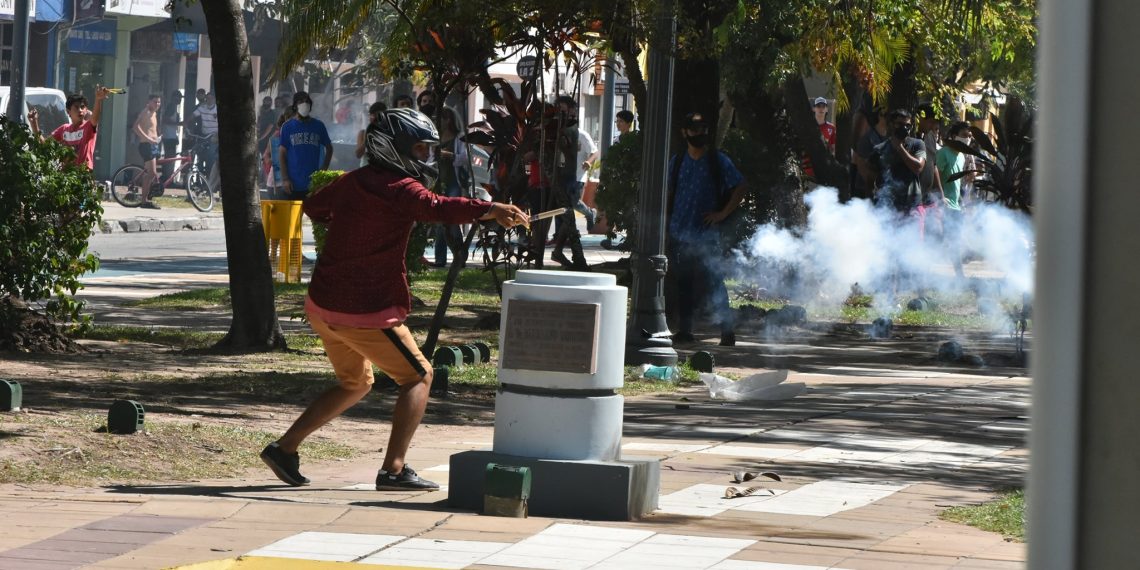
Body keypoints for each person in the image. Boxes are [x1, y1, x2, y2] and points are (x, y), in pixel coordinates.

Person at [259, 108, 529, 490]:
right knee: (419, 376)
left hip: (322, 307)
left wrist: (353, 223)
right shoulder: (402, 189)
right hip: (363, 312)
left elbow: (316, 207)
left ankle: (284, 449)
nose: (426, 158)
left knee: (355, 383)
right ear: (394, 148)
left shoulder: (353, 182)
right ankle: (394, 470)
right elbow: (438, 207)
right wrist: (489, 209)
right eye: (419, 149)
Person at [668, 112, 747, 347]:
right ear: (684, 132)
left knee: (714, 281)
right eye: (694, 129)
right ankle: (684, 330)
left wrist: (722, 214)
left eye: (702, 129)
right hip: (680, 231)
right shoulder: (678, 161)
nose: (698, 134)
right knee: (683, 283)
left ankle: (727, 330)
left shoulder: (718, 160)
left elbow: (741, 186)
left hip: (706, 234)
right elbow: (670, 192)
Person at [549, 96, 595, 269]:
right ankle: (559, 250)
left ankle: (590, 213)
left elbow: (594, 151)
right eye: (558, 109)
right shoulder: (555, 133)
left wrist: (589, 162)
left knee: (571, 207)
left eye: (565, 109)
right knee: (565, 214)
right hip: (560, 178)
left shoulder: (580, 133)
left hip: (576, 177)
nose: (561, 113)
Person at [28, 85, 109, 171]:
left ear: (86, 110)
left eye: (82, 107)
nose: (80, 110)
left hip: (83, 176)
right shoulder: (64, 129)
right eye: (76, 107)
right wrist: (34, 123)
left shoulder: (88, 127)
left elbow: (95, 119)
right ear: (68, 111)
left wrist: (98, 100)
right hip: (66, 177)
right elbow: (45, 145)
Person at [432, 107, 473, 267]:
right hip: (439, 182)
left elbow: (465, 158)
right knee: (440, 221)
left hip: (454, 182)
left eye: (441, 118)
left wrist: (450, 156)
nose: (438, 121)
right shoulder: (436, 138)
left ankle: (459, 257)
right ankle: (440, 259)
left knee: (452, 219)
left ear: (448, 119)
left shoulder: (459, 138)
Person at [279, 91, 333, 200]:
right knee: (293, 216)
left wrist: (323, 170)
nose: (305, 104)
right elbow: (282, 153)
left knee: (313, 216)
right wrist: (285, 179)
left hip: (314, 184)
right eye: (301, 101)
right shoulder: (287, 127)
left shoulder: (318, 126)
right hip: (292, 184)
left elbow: (329, 148)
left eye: (307, 101)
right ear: (295, 106)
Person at [937, 121, 971, 279]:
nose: (967, 139)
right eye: (964, 136)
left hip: (956, 206)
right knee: (938, 240)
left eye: (969, 136)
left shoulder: (962, 157)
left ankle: (959, 274)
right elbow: (936, 174)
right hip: (943, 205)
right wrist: (940, 196)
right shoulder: (943, 153)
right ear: (953, 136)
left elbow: (959, 182)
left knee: (955, 240)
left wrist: (962, 201)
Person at [132, 94, 163, 209]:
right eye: (155, 102)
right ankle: (144, 201)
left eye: (159, 102)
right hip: (146, 145)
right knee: (151, 174)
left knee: (151, 174)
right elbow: (135, 127)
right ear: (149, 102)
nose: (157, 104)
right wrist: (149, 139)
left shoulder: (154, 113)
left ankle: (147, 198)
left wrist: (157, 136)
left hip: (153, 146)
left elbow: (152, 128)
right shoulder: (146, 111)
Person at [801, 96, 837, 180]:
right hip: (807, 167)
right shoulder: (807, 126)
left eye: (823, 106)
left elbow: (833, 148)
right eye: (818, 106)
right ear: (814, 109)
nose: (821, 109)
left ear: (827, 109)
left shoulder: (831, 128)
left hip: (824, 168)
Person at [192, 91, 220, 184]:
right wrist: (185, 124)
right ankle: (198, 181)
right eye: (207, 98)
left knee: (210, 157)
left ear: (215, 99)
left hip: (214, 136)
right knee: (199, 156)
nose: (209, 100)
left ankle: (209, 181)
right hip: (203, 136)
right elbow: (193, 116)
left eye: (211, 98)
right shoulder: (202, 108)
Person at [355, 101, 388, 167]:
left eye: (379, 117)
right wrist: (367, 139)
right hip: (365, 170)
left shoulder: (388, 133)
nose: (375, 120)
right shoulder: (363, 133)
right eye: (373, 116)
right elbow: (358, 155)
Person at [256, 95, 276, 169]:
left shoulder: (272, 113)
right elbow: (258, 123)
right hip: (260, 138)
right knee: (258, 157)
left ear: (271, 103)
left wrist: (261, 138)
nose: (267, 102)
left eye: (268, 101)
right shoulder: (261, 112)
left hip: (267, 140)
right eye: (265, 101)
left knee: (265, 158)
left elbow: (270, 128)